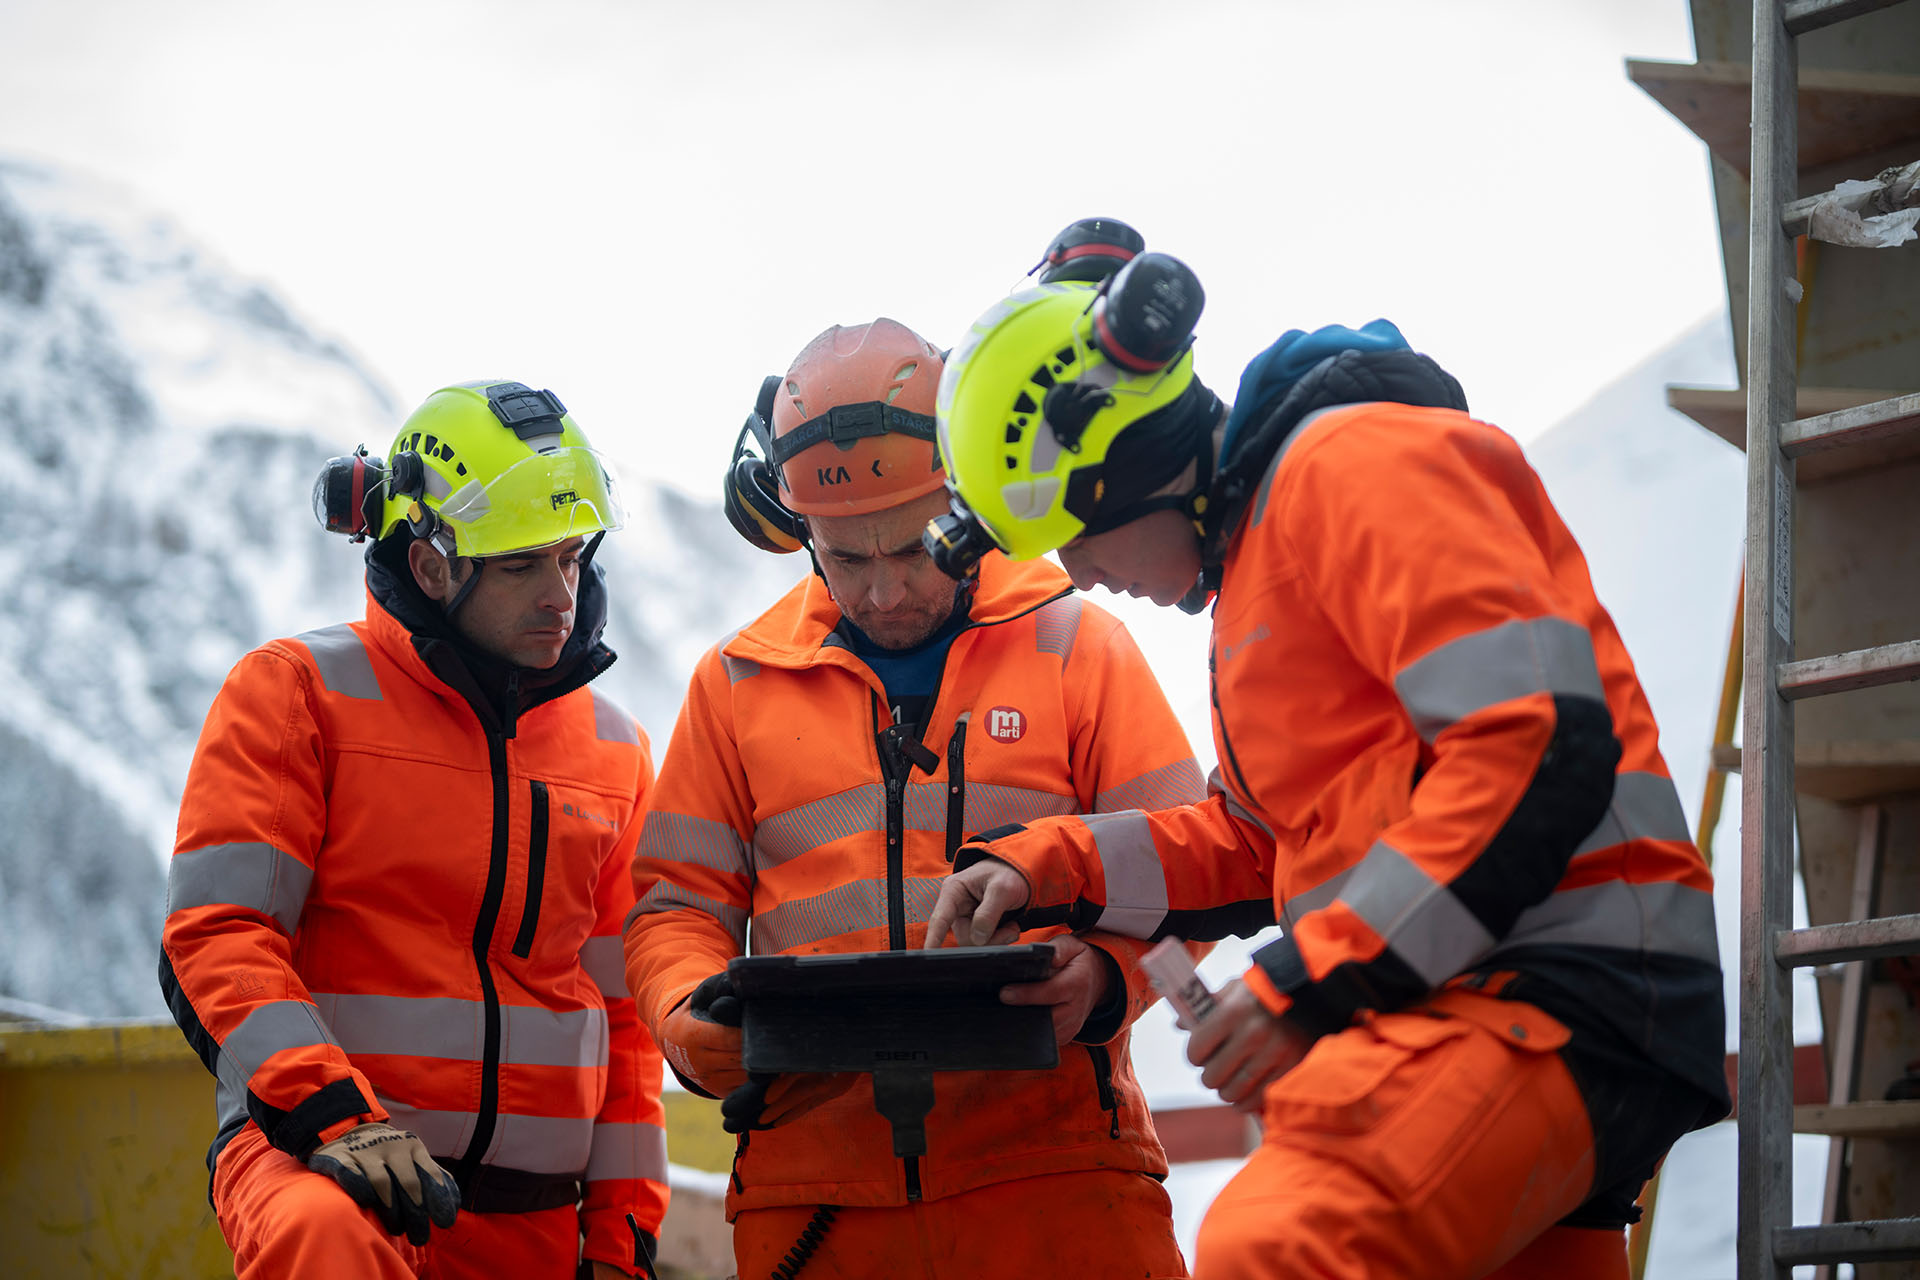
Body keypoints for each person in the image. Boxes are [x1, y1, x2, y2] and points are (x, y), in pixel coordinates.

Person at [921, 224, 1732, 1280]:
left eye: (1073, 534)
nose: (1080, 570)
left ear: (1124, 466)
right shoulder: (1260, 563)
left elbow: (1536, 744)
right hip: (1492, 1000)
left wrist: (1309, 980)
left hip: (1560, 991)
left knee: (1274, 1246)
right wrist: (1039, 866)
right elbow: (1261, 845)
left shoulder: (1350, 464)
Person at [622, 317, 1218, 1280]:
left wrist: (1108, 978)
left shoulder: (1079, 647)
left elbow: (1192, 868)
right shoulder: (734, 684)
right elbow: (674, 911)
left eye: (913, 549)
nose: (885, 591)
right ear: (797, 532)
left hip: (1061, 1189)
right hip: (814, 1200)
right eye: (846, 559)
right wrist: (693, 1022)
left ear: (964, 500)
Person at [160, 381, 669, 1279]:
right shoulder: (296, 692)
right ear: (432, 566)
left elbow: (625, 1027)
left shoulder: (617, 750)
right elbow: (218, 934)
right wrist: (334, 1117)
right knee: (323, 1235)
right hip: (319, 1162)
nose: (561, 594)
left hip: (533, 1220)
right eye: (521, 566)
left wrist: (621, 1240)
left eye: (572, 557)